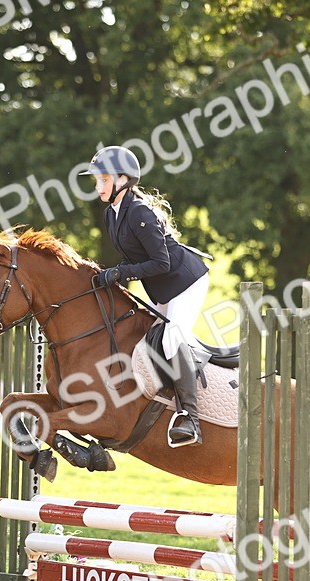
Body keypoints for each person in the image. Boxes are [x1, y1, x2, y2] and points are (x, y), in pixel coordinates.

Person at [82, 145, 211, 447]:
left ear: (123, 179)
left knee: (170, 339)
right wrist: (110, 273)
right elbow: (132, 259)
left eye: (103, 180)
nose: (98, 186)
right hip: (162, 287)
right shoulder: (111, 215)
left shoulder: (139, 212)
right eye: (97, 180)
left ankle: (190, 418)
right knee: (140, 333)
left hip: (185, 281)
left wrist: (120, 274)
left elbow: (161, 263)